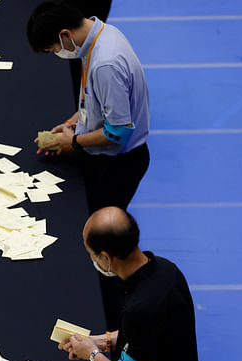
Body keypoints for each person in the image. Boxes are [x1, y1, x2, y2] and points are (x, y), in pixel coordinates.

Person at [59, 207, 200, 361]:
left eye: (91, 254)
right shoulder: (167, 269)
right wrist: (99, 341)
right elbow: (147, 336)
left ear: (105, 257)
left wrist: (93, 354)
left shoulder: (141, 309)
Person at [27, 0, 150, 212]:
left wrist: (73, 142)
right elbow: (96, 98)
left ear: (65, 35)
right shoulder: (100, 33)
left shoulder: (105, 64)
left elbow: (119, 131)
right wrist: (72, 123)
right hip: (105, 153)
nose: (57, 53)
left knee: (98, 227)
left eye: (53, 48)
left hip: (117, 164)